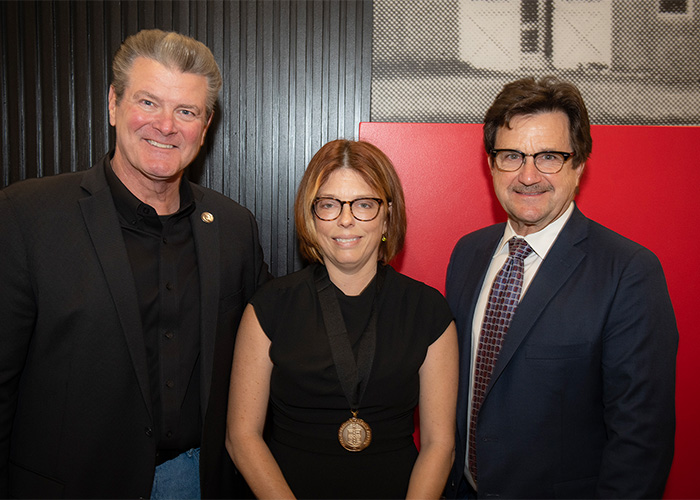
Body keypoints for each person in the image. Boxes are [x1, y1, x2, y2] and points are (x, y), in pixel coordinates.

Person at [0, 29, 270, 499]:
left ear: (204, 127)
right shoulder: (27, 217)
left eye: (186, 111)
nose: (165, 126)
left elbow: (269, 356)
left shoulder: (234, 227)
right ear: (113, 104)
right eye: (148, 102)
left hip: (197, 482)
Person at [444, 76, 678, 499]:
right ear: (491, 163)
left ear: (578, 165)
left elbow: (641, 438)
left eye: (549, 156)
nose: (528, 175)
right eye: (512, 155)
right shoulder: (468, 254)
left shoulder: (629, 272)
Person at [226, 139, 458, 499]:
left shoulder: (429, 310)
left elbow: (439, 444)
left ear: (388, 214)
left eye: (364, 204)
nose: (346, 219)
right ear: (311, 215)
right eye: (330, 205)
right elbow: (241, 438)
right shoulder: (269, 306)